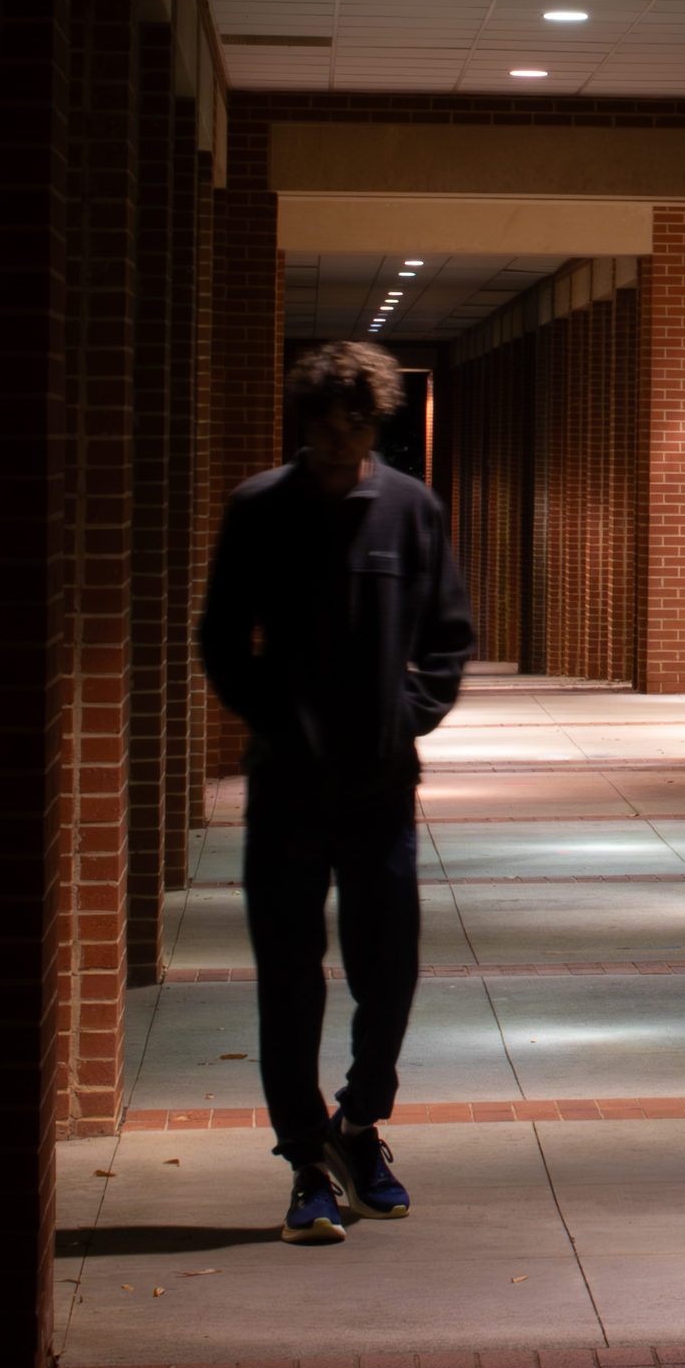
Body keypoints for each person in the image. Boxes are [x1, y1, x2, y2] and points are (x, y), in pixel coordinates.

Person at [196, 339, 473, 1247]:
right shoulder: (259, 510)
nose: (332, 439)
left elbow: (447, 634)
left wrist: (407, 717)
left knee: (387, 972)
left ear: (372, 423)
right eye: (318, 423)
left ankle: (359, 1124)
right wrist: (275, 721)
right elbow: (223, 640)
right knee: (289, 979)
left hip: (381, 788)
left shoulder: (410, 511)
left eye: (350, 424)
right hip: (287, 789)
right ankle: (305, 1162)